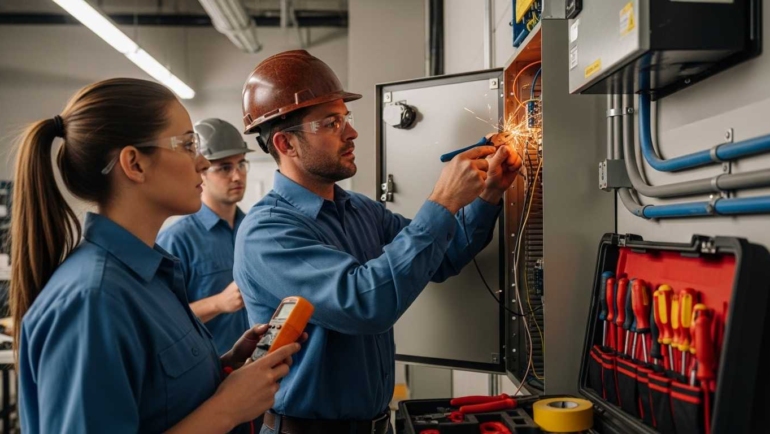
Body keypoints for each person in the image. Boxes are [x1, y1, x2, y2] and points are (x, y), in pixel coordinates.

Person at [233, 50, 522, 434]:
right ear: (286, 144)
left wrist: (488, 195)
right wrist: (442, 201)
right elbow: (365, 304)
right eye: (331, 123)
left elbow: (444, 255)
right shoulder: (267, 233)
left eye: (345, 118)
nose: (351, 132)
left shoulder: (359, 210)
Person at [10, 78, 302, 433]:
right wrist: (227, 409)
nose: (200, 162)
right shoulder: (93, 300)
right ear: (134, 164)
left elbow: (156, 399)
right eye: (188, 144)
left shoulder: (151, 274)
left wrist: (226, 367)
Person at [158, 118, 252, 357]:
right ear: (201, 172)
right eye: (224, 168)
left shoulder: (254, 230)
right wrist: (218, 303)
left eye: (241, 164)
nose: (237, 176)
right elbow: (160, 319)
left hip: (259, 367)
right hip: (210, 375)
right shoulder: (176, 240)